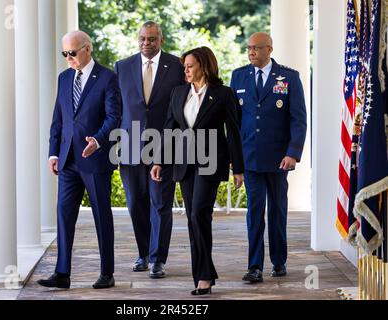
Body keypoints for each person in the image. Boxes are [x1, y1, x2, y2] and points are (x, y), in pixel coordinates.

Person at [151, 47, 244, 295]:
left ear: (204, 66)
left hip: (211, 162)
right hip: (184, 163)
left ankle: (204, 276)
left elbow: (233, 132)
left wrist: (238, 168)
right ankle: (204, 274)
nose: (186, 70)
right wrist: (159, 160)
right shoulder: (178, 93)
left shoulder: (223, 94)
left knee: (198, 214)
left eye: (190, 66)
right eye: (184, 67)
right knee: (194, 218)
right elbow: (169, 127)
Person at [37, 31, 121, 289]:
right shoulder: (64, 79)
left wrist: (98, 140)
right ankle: (62, 274)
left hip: (95, 159)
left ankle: (107, 273)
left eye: (72, 53)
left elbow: (114, 117)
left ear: (87, 49)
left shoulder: (108, 78)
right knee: (63, 214)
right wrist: (53, 152)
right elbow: (58, 120)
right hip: (68, 161)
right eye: (65, 54)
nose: (68, 58)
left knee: (101, 215)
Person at [230, 32, 307, 283]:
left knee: (277, 211)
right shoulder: (238, 76)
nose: (251, 52)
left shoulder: (289, 77)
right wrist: (235, 160)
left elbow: (298, 118)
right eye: (249, 48)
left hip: (278, 159)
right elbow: (233, 122)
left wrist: (293, 153)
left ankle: (279, 261)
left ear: (269, 49)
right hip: (250, 157)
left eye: (256, 48)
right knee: (254, 212)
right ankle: (254, 266)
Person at [114, 21, 185, 278]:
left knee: (161, 204)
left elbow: (180, 110)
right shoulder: (122, 67)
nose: (147, 43)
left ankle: (158, 259)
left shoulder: (177, 66)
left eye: (152, 39)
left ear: (161, 40)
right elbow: (117, 109)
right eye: (143, 38)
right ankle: (143, 253)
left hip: (163, 145)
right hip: (130, 147)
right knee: (136, 204)